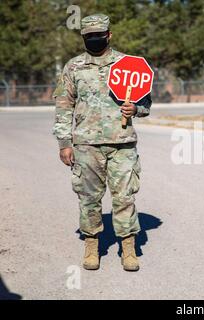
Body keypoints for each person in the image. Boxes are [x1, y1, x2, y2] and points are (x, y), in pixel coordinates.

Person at [52, 14, 151, 271]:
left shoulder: (129, 65)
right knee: (88, 198)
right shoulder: (73, 67)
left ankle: (128, 248)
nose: (95, 39)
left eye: (99, 35)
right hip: (86, 144)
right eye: (89, 36)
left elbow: (146, 103)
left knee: (124, 197)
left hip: (122, 143)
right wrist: (64, 142)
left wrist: (136, 109)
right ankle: (92, 245)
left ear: (109, 35)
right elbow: (64, 106)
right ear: (83, 37)